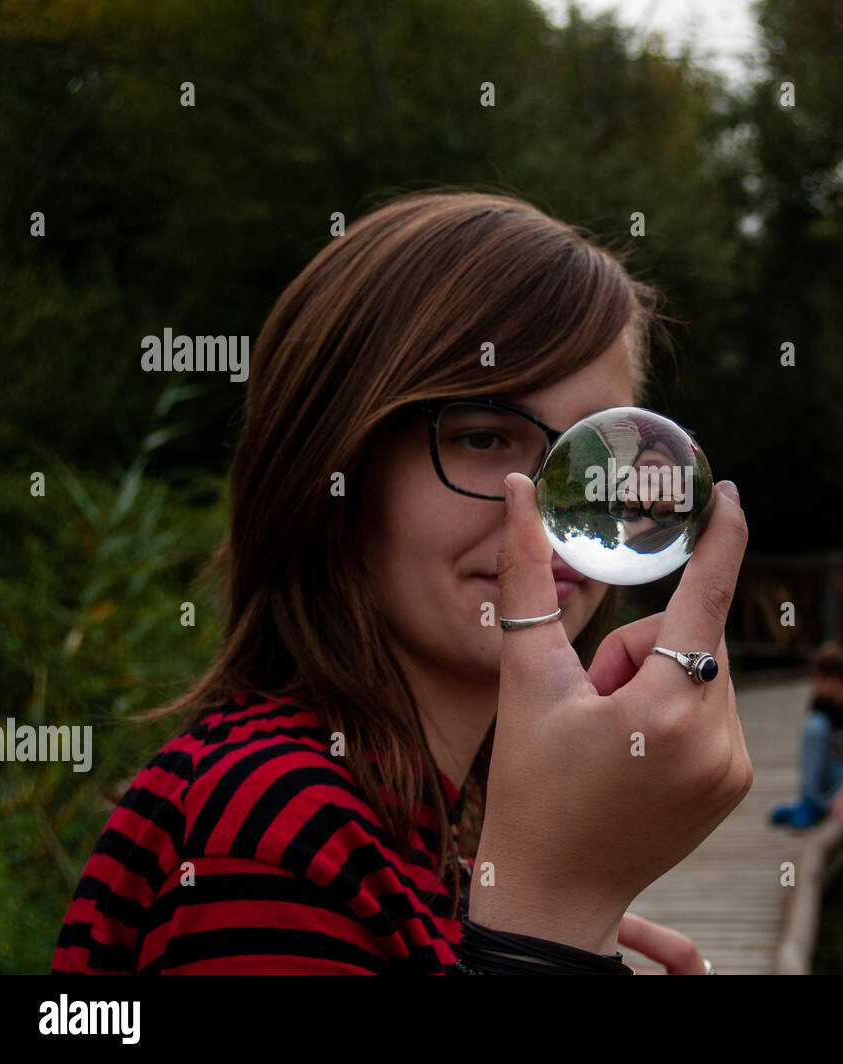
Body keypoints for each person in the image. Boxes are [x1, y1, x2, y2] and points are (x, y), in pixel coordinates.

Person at [51, 188, 753, 975]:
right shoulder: (270, 828)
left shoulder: (448, 838)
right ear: (332, 469)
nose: (551, 515)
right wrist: (549, 935)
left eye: (599, 456)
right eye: (484, 436)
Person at [770, 642, 843, 830]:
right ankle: (810, 802)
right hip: (826, 769)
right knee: (814, 725)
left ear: (835, 680)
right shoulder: (821, 703)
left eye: (817, 679)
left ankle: (817, 806)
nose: (814, 686)